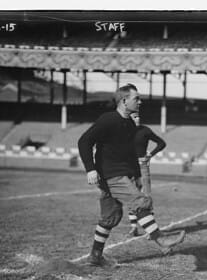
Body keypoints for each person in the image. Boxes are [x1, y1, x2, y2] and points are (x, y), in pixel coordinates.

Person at [78, 83, 186, 266]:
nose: (140, 102)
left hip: (120, 174)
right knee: (140, 202)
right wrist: (90, 168)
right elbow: (84, 141)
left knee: (110, 217)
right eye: (136, 98)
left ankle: (95, 256)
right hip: (111, 174)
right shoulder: (108, 119)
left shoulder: (129, 124)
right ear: (124, 100)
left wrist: (135, 175)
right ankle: (160, 239)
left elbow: (128, 154)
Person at [127, 112, 166, 236]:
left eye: (138, 116)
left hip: (142, 166)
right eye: (134, 117)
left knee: (147, 198)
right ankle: (134, 227)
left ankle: (151, 232)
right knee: (132, 197)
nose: (137, 118)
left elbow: (161, 143)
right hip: (128, 167)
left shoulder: (145, 130)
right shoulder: (123, 132)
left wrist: (150, 155)